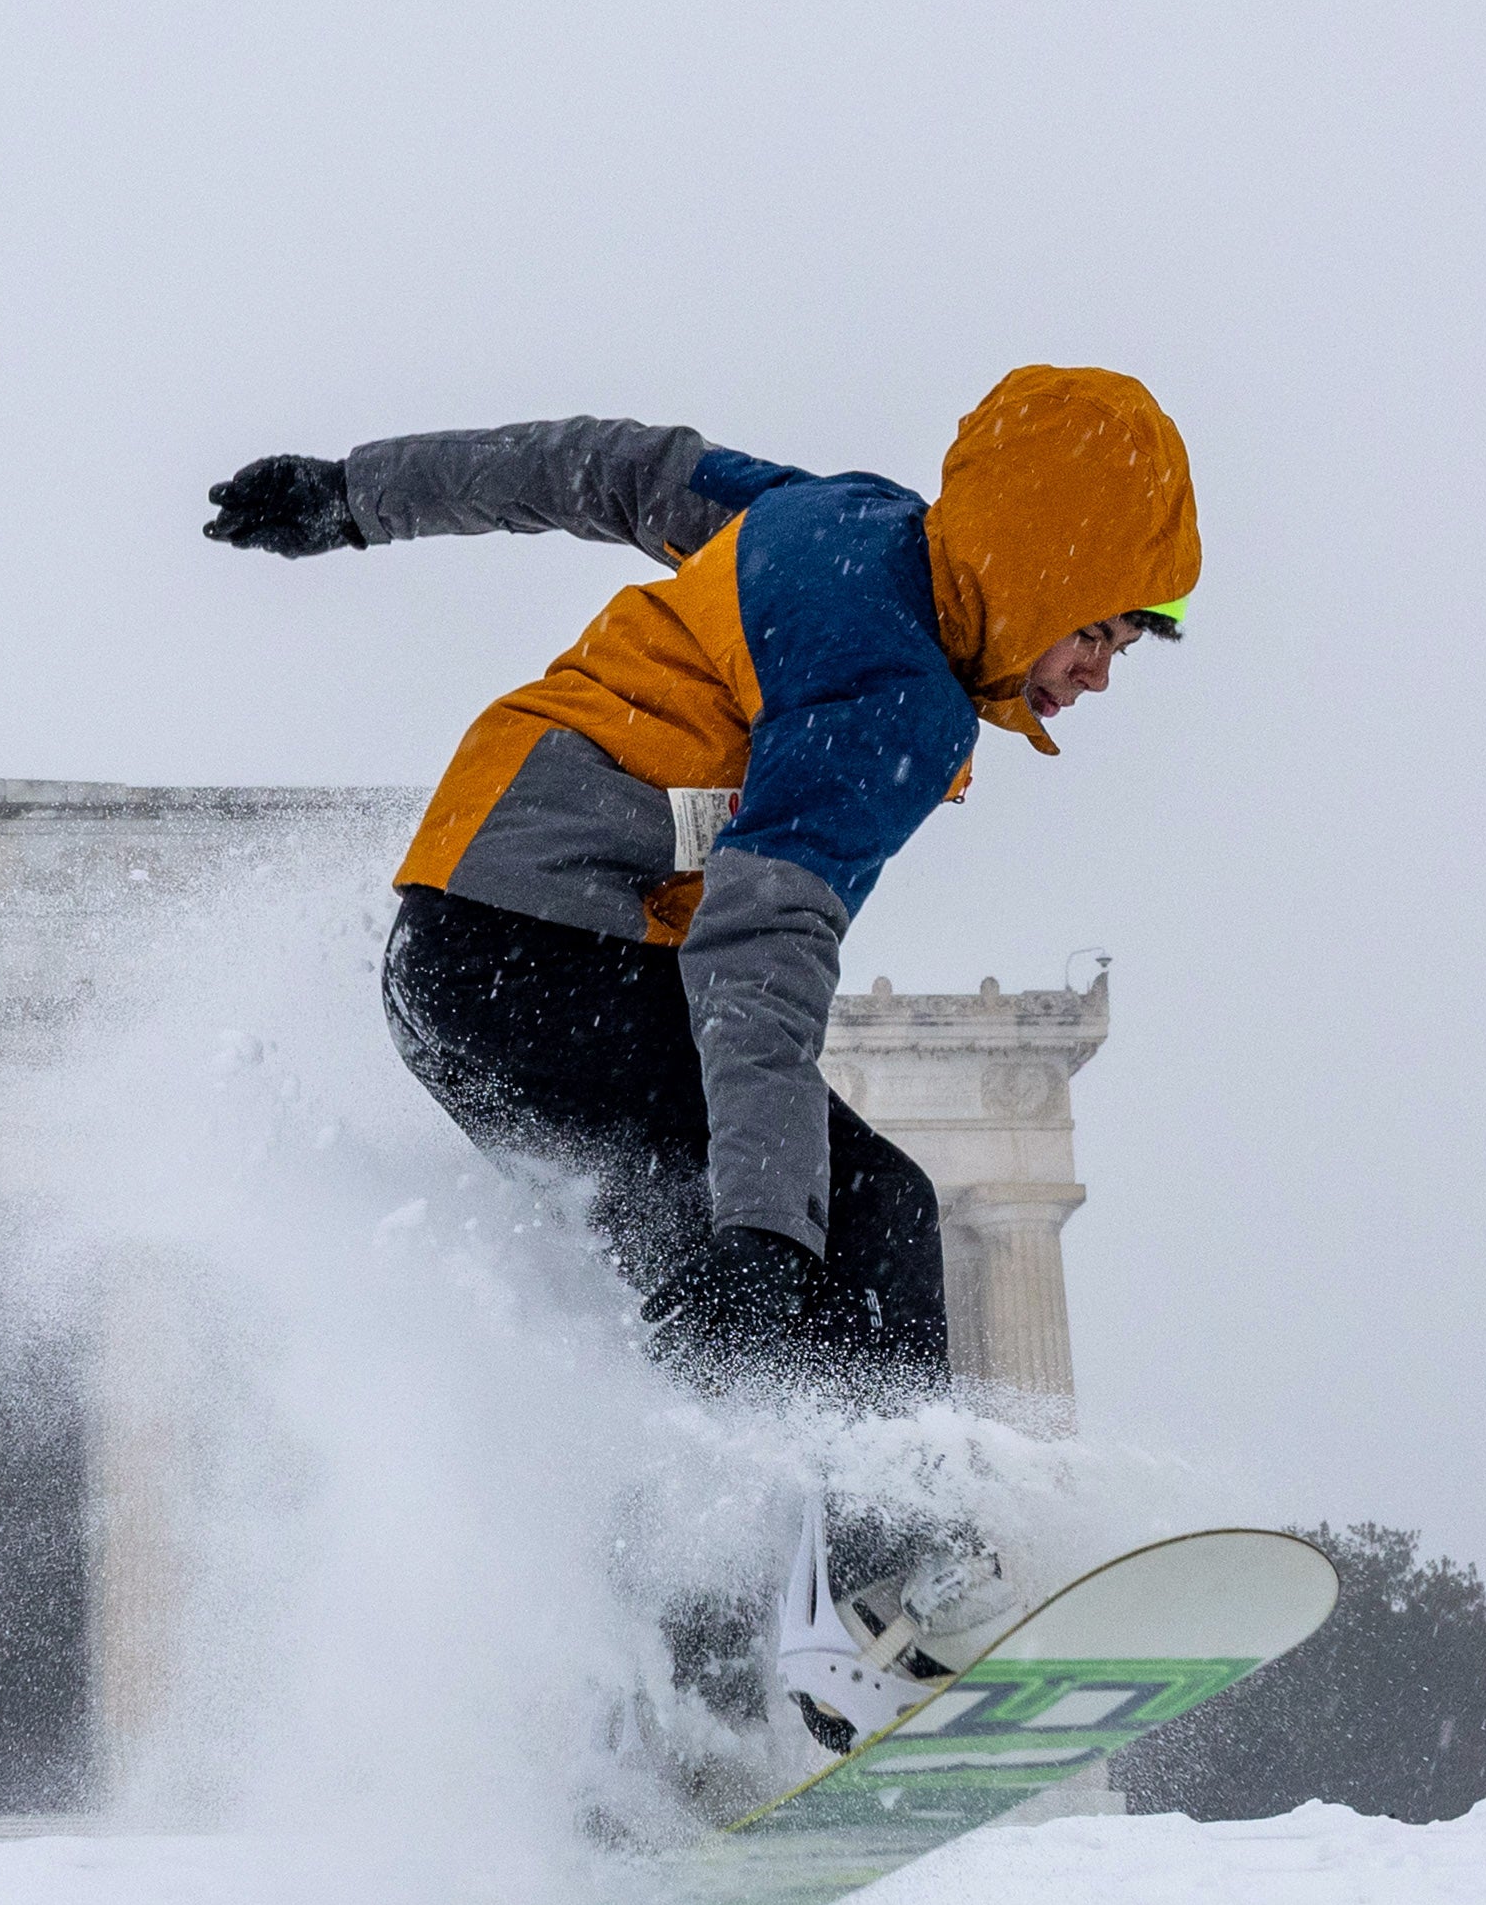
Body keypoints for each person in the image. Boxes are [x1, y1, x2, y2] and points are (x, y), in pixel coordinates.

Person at [205, 368, 1199, 1749]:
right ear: (1037, 574)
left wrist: (357, 496)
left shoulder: (828, 522)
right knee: (869, 1216)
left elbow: (603, 465)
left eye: (1138, 647)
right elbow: (761, 951)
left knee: (684, 1350)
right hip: (546, 958)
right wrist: (766, 1231)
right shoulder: (895, 695)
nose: (1098, 674)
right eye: (1100, 632)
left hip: (455, 958)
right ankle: (886, 1610)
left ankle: (650, 1724)